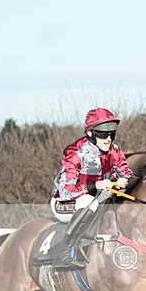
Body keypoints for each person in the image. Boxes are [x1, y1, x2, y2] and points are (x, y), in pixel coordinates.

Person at [51, 107, 132, 270]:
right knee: (90, 201)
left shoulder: (115, 151)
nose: (108, 139)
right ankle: (64, 252)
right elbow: (66, 191)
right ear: (90, 133)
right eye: (102, 134)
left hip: (96, 198)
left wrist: (125, 181)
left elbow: (127, 173)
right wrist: (95, 185)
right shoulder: (74, 153)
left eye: (111, 134)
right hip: (64, 203)